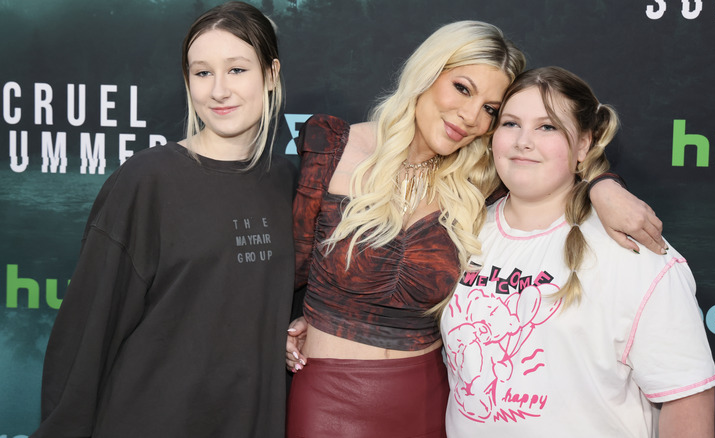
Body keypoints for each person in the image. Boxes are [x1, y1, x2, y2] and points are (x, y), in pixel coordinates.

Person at [285, 22, 666, 438]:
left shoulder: (482, 182)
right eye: (463, 88)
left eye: (490, 109)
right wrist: (285, 325)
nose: (470, 117)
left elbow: (557, 167)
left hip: (429, 400)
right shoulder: (329, 150)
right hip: (328, 399)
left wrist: (603, 185)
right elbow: (269, 269)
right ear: (427, 73)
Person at [31, 2, 296, 437]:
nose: (219, 91)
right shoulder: (147, 180)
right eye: (202, 72)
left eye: (237, 70)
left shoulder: (289, 182)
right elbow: (86, 332)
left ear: (271, 75)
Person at [441, 66, 715, 437]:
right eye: (510, 124)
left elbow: (688, 399)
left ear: (584, 144)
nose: (524, 141)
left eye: (548, 126)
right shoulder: (459, 231)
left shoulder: (634, 249)